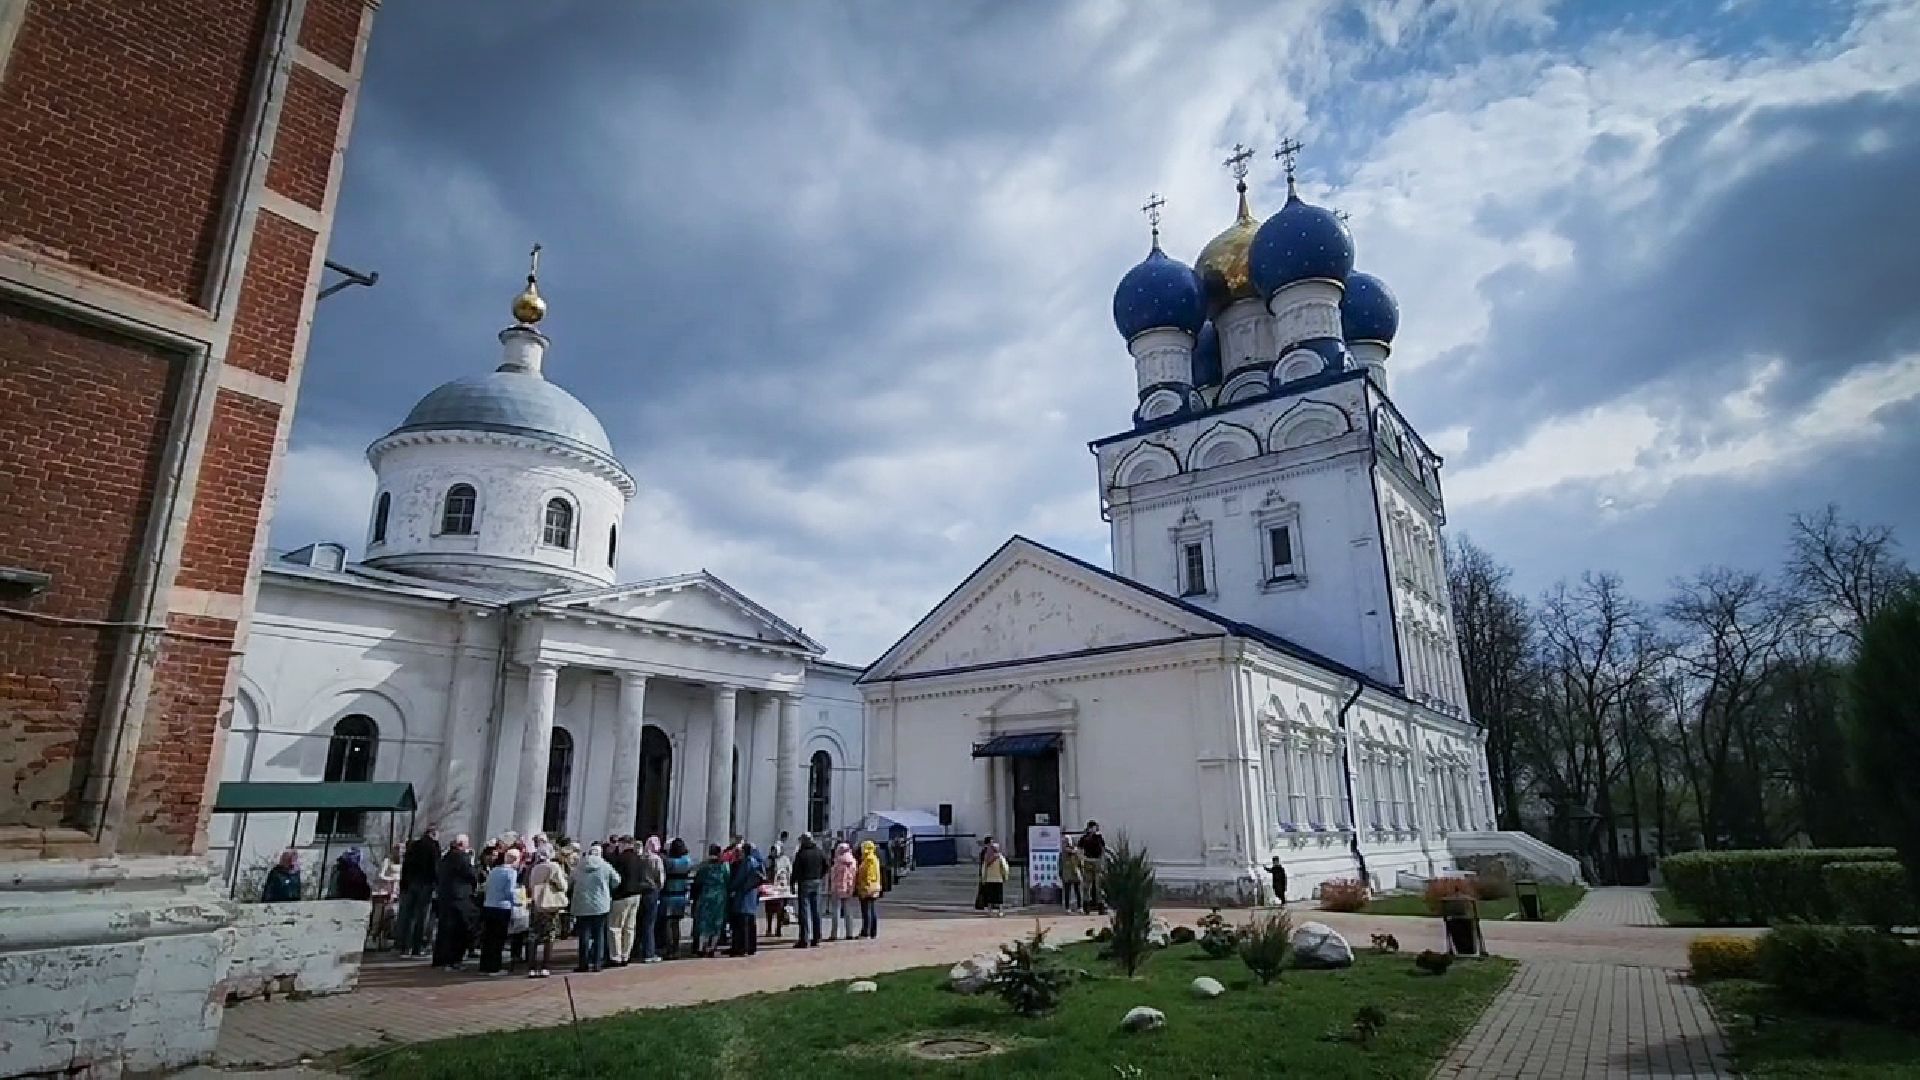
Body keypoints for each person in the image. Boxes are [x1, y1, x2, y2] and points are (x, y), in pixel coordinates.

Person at [571, 842, 620, 973]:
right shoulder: (605, 865)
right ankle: (597, 963)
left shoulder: (580, 865)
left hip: (582, 904)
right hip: (601, 904)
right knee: (599, 934)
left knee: (584, 935)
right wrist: (607, 888)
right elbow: (617, 880)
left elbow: (571, 880)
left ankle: (583, 964)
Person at [432, 834, 479, 969]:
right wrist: (471, 862)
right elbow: (472, 875)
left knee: (444, 930)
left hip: (445, 896)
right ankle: (453, 960)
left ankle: (440, 959)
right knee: (459, 930)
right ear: (461, 845)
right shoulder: (463, 858)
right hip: (460, 898)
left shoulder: (445, 858)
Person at [395, 826, 440, 957]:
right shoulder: (433, 846)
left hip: (410, 883)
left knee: (409, 916)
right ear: (433, 834)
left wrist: (404, 883)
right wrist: (436, 884)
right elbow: (435, 867)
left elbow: (406, 865)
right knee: (421, 917)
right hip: (425, 884)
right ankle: (417, 947)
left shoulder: (413, 845)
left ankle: (405, 946)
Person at [525, 849, 568, 978]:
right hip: (550, 905)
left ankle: (531, 967)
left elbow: (531, 885)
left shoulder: (534, 868)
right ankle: (545, 966)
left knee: (534, 935)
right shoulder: (554, 867)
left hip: (536, 904)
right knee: (549, 936)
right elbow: (563, 886)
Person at [479, 848, 520, 975]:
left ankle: (484, 966)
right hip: (502, 907)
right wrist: (517, 902)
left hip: (489, 905)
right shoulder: (511, 873)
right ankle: (494, 967)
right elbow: (510, 891)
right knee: (498, 938)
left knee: (488, 937)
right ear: (514, 859)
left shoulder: (495, 870)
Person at [606, 836, 644, 965]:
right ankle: (625, 955)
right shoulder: (639, 859)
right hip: (636, 895)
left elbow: (615, 879)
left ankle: (615, 956)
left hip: (622, 895)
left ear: (624, 844)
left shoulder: (620, 859)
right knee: (629, 927)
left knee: (615, 927)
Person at [690, 845, 730, 957]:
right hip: (720, 897)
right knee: (717, 923)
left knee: (704, 922)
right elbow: (728, 880)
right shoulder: (723, 867)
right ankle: (712, 948)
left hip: (706, 896)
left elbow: (697, 880)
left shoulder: (704, 866)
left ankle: (701, 947)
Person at [789, 833, 828, 948]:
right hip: (816, 882)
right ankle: (817, 937)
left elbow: (795, 870)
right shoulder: (819, 852)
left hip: (805, 882)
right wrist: (820, 876)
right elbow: (826, 865)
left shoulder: (801, 853)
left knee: (804, 912)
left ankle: (804, 939)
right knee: (816, 911)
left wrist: (792, 883)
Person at [727, 842, 765, 957]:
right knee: (751, 922)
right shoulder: (756, 861)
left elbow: (740, 878)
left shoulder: (747, 862)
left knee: (742, 924)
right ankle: (751, 947)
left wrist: (731, 887)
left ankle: (740, 947)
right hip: (752, 894)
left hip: (744, 895)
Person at [659, 838, 693, 959]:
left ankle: (670, 949)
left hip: (669, 894)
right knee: (676, 924)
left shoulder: (669, 862)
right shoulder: (687, 861)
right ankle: (676, 948)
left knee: (668, 923)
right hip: (681, 895)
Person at [634, 835, 665, 963]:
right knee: (649, 924)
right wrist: (658, 888)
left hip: (640, 891)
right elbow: (661, 878)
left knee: (639, 922)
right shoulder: (656, 859)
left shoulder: (641, 858)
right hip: (652, 891)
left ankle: (635, 950)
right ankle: (649, 952)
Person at [827, 840, 856, 941]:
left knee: (836, 911)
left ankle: (834, 933)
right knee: (848, 911)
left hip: (837, 889)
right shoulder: (853, 862)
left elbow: (833, 876)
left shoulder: (837, 861)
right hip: (848, 889)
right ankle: (850, 933)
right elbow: (854, 875)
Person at [1077, 820, 1108, 915]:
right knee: (1086, 886)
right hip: (1088, 861)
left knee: (1099, 886)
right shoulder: (1084, 838)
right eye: (1093, 827)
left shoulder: (1099, 838)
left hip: (1097, 861)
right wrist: (1083, 859)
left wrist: (1102, 862)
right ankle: (1086, 906)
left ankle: (1100, 906)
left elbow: (1103, 850)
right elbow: (1079, 850)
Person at [764, 841, 793, 938]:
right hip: (770, 887)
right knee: (769, 909)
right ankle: (768, 928)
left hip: (782, 887)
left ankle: (778, 928)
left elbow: (789, 871)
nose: (775, 852)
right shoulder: (768, 860)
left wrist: (789, 884)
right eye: (773, 850)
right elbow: (765, 871)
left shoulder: (785, 859)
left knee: (780, 908)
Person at [855, 839, 882, 939]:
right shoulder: (874, 858)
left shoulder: (869, 859)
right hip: (874, 886)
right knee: (872, 909)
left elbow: (868, 875)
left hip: (867, 887)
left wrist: (865, 886)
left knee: (866, 910)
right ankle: (873, 932)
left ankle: (866, 932)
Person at [978, 838, 1009, 916]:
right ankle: (1000, 911)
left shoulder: (987, 857)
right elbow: (1005, 867)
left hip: (989, 879)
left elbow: (984, 868)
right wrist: (1005, 876)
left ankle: (990, 911)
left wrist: (983, 878)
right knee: (999, 896)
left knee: (990, 896)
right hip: (998, 879)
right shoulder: (1000, 857)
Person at [1059, 837, 1083, 913]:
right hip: (1067, 873)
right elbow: (1060, 863)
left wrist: (1081, 871)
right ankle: (1067, 907)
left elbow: (1080, 862)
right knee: (1067, 891)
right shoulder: (1063, 853)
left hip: (1075, 872)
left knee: (1077, 890)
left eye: (1066, 842)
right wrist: (1060, 872)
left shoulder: (1076, 852)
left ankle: (1079, 907)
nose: (1065, 844)